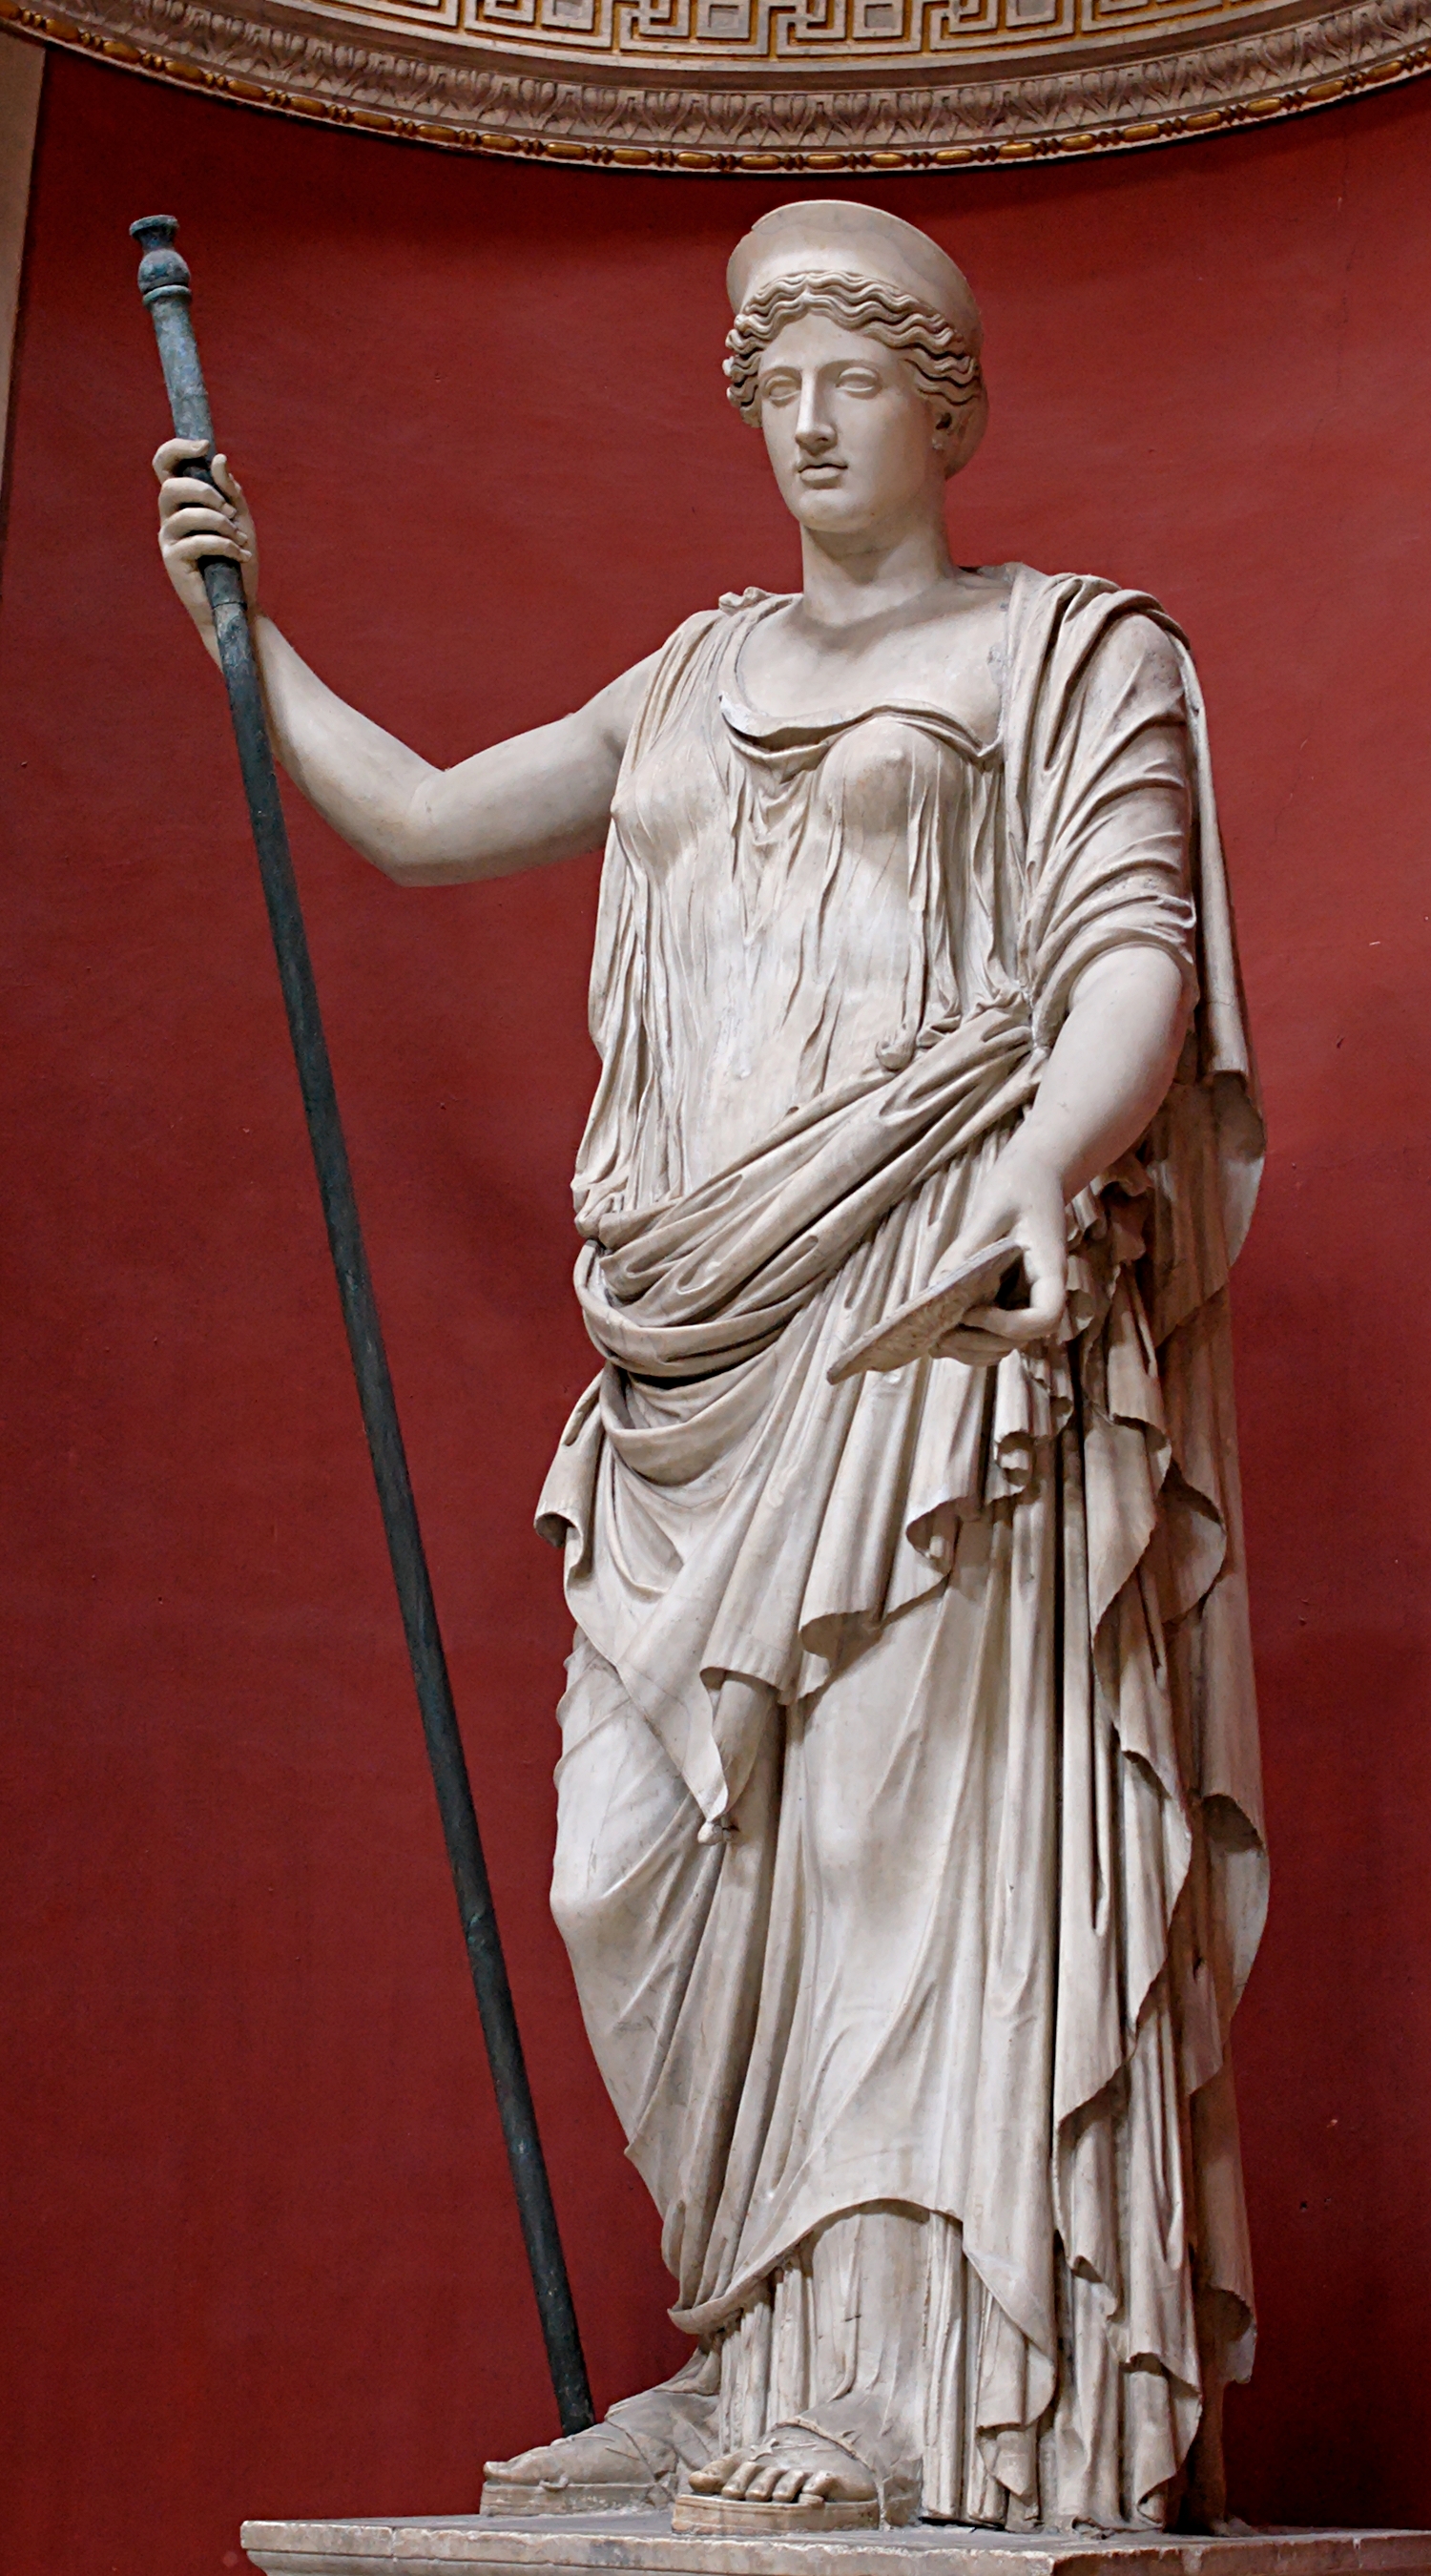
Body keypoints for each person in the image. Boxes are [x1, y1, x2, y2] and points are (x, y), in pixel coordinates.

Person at [156, 200, 1266, 2536]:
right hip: (699, 1363)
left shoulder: (1073, 654)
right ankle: (752, 2335)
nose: (812, 418)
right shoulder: (683, 676)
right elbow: (427, 823)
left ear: (949, 407)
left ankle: (891, 2391)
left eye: (858, 375)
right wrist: (242, 630)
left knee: (889, 1850)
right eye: (775, 379)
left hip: (925, 1304)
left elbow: (1131, 961)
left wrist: (1041, 1167)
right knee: (626, 1873)